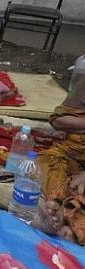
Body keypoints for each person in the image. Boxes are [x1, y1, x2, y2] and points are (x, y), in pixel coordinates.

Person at [34, 69, 85, 244]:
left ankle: (72, 225)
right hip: (72, 152)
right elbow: (56, 120)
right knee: (49, 162)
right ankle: (56, 210)